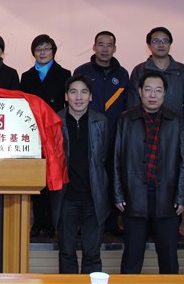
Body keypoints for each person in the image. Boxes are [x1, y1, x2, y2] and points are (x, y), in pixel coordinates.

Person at [114, 71, 184, 274]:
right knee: (131, 259)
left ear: (165, 93)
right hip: (134, 198)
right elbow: (116, 160)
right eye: (148, 90)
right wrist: (118, 194)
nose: (152, 95)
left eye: (158, 90)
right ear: (140, 92)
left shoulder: (176, 120)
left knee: (169, 260)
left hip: (167, 200)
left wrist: (182, 196)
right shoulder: (126, 119)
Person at [51, 74, 109, 274]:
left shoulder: (101, 121)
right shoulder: (56, 121)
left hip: (94, 198)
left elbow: (103, 158)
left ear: (90, 96)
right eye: (73, 92)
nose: (78, 97)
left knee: (92, 255)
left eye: (84, 92)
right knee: (66, 253)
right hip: (66, 197)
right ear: (66, 96)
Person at [74, 30, 128, 236]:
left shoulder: (122, 74)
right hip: (88, 136)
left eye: (109, 45)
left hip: (114, 136)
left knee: (112, 179)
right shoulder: (82, 71)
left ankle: (112, 223)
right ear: (94, 47)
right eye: (101, 44)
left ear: (115, 48)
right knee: (88, 179)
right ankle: (85, 223)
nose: (105, 49)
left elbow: (126, 106)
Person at [20, 34, 71, 238]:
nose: (42, 53)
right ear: (33, 52)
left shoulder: (64, 74)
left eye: (46, 49)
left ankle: (50, 222)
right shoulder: (26, 76)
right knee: (36, 177)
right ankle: (38, 221)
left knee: (53, 177)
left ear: (53, 52)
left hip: (54, 131)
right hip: (33, 132)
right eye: (38, 49)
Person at [128, 27, 184, 126]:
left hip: (176, 127)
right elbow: (133, 103)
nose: (161, 45)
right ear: (149, 45)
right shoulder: (140, 70)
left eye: (165, 41)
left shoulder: (183, 71)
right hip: (146, 126)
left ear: (170, 44)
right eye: (156, 41)